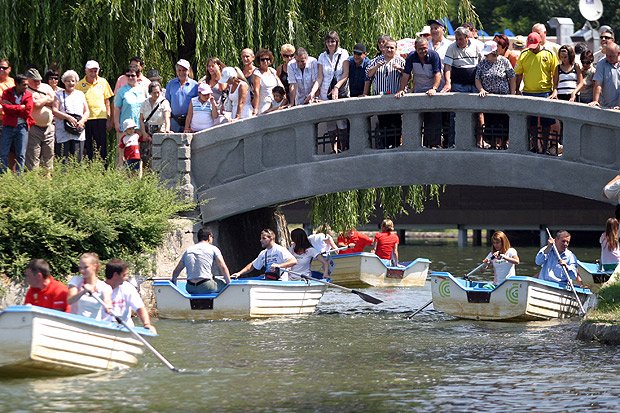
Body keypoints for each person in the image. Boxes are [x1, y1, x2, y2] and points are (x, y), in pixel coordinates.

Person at [514, 32, 559, 155]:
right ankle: (535, 145)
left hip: (545, 92)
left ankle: (545, 147)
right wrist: (517, 90)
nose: (533, 49)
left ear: (539, 43)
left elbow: (555, 73)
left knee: (546, 122)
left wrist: (555, 89)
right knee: (531, 122)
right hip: (528, 92)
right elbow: (518, 73)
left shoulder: (549, 54)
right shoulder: (524, 54)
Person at [395, 36, 442, 148]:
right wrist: (402, 89)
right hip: (418, 90)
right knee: (417, 118)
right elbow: (406, 74)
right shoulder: (411, 57)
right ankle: (416, 145)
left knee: (433, 119)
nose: (422, 51)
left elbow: (437, 74)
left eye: (425, 48)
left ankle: (433, 145)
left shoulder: (434, 56)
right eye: (420, 49)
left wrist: (434, 88)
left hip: (431, 90)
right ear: (415, 48)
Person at [475, 40, 516, 149]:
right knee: (490, 122)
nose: (485, 55)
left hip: (503, 98)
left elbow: (512, 77)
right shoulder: (483, 63)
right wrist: (481, 89)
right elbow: (477, 79)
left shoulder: (504, 61)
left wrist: (512, 93)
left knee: (503, 121)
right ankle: (492, 144)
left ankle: (502, 144)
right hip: (488, 98)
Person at [365, 38, 405, 149]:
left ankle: (396, 146)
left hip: (395, 98)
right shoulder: (376, 60)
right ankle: (385, 146)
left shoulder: (400, 61)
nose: (389, 49)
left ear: (396, 49)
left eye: (392, 47)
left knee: (395, 123)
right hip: (381, 97)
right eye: (387, 47)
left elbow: (408, 77)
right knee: (383, 123)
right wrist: (377, 66)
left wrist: (400, 70)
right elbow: (368, 74)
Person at [315, 31, 350, 152]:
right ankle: (333, 149)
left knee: (341, 121)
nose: (330, 44)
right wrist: (313, 92)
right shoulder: (322, 56)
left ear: (337, 42)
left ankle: (344, 147)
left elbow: (345, 74)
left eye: (333, 41)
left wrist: (336, 87)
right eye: (328, 41)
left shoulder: (343, 53)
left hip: (339, 93)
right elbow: (320, 77)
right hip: (326, 93)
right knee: (329, 121)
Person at [172, 228, 232, 293]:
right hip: (206, 286)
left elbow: (176, 271)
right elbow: (222, 267)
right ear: (209, 237)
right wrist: (229, 283)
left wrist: (174, 284)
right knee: (223, 285)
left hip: (190, 287)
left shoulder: (188, 250)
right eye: (212, 237)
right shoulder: (213, 248)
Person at [104, 258, 156, 332]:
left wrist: (146, 324)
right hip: (105, 328)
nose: (127, 278)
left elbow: (139, 308)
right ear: (115, 275)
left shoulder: (128, 288)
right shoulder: (99, 288)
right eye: (124, 275)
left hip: (125, 329)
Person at [76, 60, 113, 161]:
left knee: (102, 145)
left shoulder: (103, 82)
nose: (93, 74)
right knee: (87, 146)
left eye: (95, 71)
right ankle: (89, 167)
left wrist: (109, 120)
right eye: (90, 71)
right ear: (86, 71)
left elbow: (107, 101)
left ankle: (103, 169)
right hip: (86, 119)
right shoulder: (79, 85)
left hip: (100, 118)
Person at [52, 70, 89, 162]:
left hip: (77, 130)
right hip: (63, 130)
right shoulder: (58, 94)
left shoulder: (80, 94)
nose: (70, 83)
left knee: (77, 159)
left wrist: (82, 121)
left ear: (76, 82)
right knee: (63, 159)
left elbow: (87, 111)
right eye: (68, 81)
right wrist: (67, 117)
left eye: (73, 81)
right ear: (64, 82)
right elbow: (55, 110)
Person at [231, 229, 297, 281]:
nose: (260, 240)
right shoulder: (263, 253)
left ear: (271, 238)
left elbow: (294, 261)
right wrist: (239, 273)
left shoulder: (280, 249)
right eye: (261, 238)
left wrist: (279, 266)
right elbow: (252, 266)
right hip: (268, 281)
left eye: (264, 238)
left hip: (280, 282)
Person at [114, 67, 148, 166]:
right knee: (123, 152)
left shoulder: (143, 90)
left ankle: (139, 177)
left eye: (132, 75)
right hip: (125, 126)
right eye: (127, 75)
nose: (130, 77)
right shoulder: (121, 91)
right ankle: (121, 176)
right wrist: (116, 123)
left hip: (140, 126)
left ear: (137, 76)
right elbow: (117, 108)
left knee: (139, 153)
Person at [0, 74, 33, 173]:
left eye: (27, 85)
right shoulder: (7, 92)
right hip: (8, 126)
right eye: (24, 85)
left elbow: (28, 111)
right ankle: (2, 175)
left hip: (22, 127)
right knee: (3, 153)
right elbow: (5, 107)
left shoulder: (28, 95)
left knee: (21, 154)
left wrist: (13, 107)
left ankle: (19, 177)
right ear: (17, 84)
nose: (26, 87)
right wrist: (20, 107)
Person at [25, 68, 55, 173]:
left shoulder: (46, 87)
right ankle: (33, 179)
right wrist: (46, 99)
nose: (38, 82)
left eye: (39, 80)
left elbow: (54, 101)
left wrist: (42, 100)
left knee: (49, 153)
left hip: (49, 126)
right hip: (33, 127)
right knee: (33, 154)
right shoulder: (26, 90)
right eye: (35, 80)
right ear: (28, 79)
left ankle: (48, 178)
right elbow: (35, 105)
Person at [67, 252, 113, 320]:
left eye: (86, 267)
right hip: (75, 322)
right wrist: (82, 292)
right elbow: (69, 301)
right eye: (80, 268)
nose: (82, 271)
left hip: (93, 324)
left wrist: (108, 307)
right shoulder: (76, 280)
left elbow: (107, 300)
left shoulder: (105, 287)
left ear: (95, 266)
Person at [139, 81, 170, 166]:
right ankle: (146, 176)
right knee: (145, 156)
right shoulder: (145, 103)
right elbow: (141, 119)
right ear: (150, 92)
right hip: (147, 130)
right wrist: (144, 133)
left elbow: (167, 118)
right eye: (154, 92)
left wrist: (167, 129)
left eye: (158, 92)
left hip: (159, 130)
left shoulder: (164, 102)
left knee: (157, 155)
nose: (156, 95)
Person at [166, 59, 198, 132]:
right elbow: (167, 103)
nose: (181, 73)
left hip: (190, 121)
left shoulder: (195, 85)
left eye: (184, 70)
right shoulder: (170, 84)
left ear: (188, 71)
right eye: (179, 70)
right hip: (174, 121)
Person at [252, 49, 285, 115]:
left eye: (267, 59)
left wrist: (284, 101)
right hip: (265, 105)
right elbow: (256, 91)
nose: (265, 61)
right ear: (259, 61)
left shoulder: (272, 71)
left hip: (277, 104)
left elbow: (281, 86)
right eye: (262, 59)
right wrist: (255, 108)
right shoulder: (257, 73)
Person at [589, 42, 620, 109]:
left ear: (618, 54)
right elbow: (598, 84)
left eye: (611, 56)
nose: (609, 58)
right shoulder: (601, 63)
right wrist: (595, 100)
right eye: (607, 56)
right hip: (606, 105)